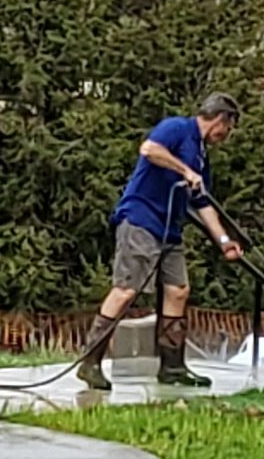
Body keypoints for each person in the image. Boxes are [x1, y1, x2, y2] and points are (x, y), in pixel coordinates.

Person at [78, 95, 245, 391]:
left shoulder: (202, 155)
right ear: (221, 119)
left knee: (178, 290)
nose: (226, 135)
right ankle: (90, 362)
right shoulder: (177, 128)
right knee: (127, 290)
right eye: (228, 128)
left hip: (170, 230)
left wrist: (224, 241)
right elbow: (149, 149)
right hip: (141, 220)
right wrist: (184, 171)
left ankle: (172, 367)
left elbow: (203, 203)